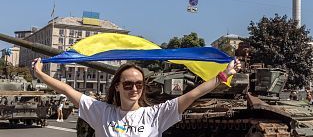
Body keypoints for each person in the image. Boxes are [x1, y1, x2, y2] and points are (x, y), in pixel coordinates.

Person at [32, 57, 241, 137]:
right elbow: (68, 90)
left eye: (139, 84)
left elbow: (194, 94)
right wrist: (40, 74)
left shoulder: (156, 115)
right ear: (117, 87)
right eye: (128, 84)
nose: (134, 88)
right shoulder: (102, 112)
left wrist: (225, 75)